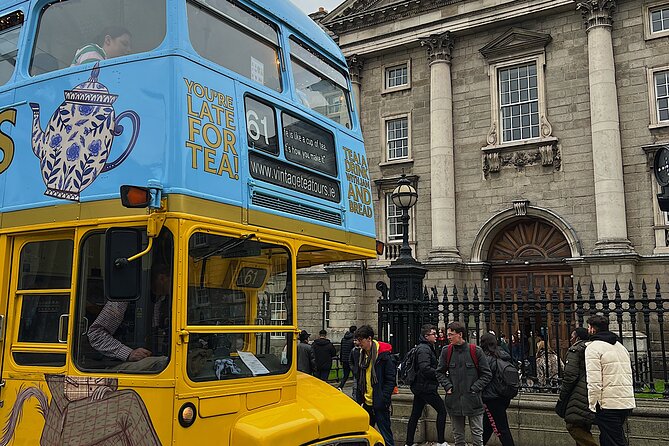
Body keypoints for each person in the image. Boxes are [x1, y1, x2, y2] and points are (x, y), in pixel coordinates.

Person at [88, 264, 170, 371]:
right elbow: (96, 334)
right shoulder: (125, 297)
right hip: (116, 363)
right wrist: (129, 353)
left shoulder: (160, 299)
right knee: (166, 363)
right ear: (162, 278)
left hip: (145, 360)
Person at [436, 321, 492, 446]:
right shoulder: (447, 351)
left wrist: (475, 388)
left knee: (477, 437)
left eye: (451, 334)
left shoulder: (475, 351)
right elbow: (439, 372)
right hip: (454, 401)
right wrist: (448, 386)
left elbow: (487, 374)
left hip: (473, 401)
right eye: (448, 334)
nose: (448, 337)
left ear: (460, 334)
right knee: (458, 437)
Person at [585, 315, 635, 446]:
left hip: (608, 404)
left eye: (588, 327)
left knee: (614, 441)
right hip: (625, 400)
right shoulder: (620, 346)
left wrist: (592, 404)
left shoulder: (593, 348)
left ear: (592, 329)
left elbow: (594, 380)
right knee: (608, 439)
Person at [352, 325, 396, 446]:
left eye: (361, 340)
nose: (358, 343)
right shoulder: (360, 354)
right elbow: (359, 375)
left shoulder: (383, 355)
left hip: (379, 402)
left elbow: (390, 379)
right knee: (364, 435)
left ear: (369, 339)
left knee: (386, 434)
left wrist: (383, 398)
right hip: (366, 402)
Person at [405, 324, 448, 446]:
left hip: (421, 387)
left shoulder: (426, 347)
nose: (436, 336)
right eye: (433, 334)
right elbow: (425, 368)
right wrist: (440, 372)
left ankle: (409, 443)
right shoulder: (424, 349)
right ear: (426, 336)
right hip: (425, 387)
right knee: (442, 411)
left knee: (415, 414)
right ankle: (441, 442)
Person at [557, 328, 596, 446]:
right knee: (583, 425)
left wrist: (562, 397)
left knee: (573, 425)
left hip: (579, 394)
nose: (570, 339)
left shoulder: (575, 350)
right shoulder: (593, 348)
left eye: (572, 337)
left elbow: (570, 376)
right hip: (593, 391)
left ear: (577, 338)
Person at [480, 333, 516, 446]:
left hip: (492, 398)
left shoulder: (486, 359)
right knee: (488, 426)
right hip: (503, 396)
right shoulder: (502, 355)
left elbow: (484, 377)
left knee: (501, 429)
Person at [338, 325, 357, 390]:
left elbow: (341, 350)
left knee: (345, 375)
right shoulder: (353, 340)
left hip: (344, 359)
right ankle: (355, 389)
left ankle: (340, 386)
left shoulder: (343, 339)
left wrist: (341, 360)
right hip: (351, 360)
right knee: (355, 374)